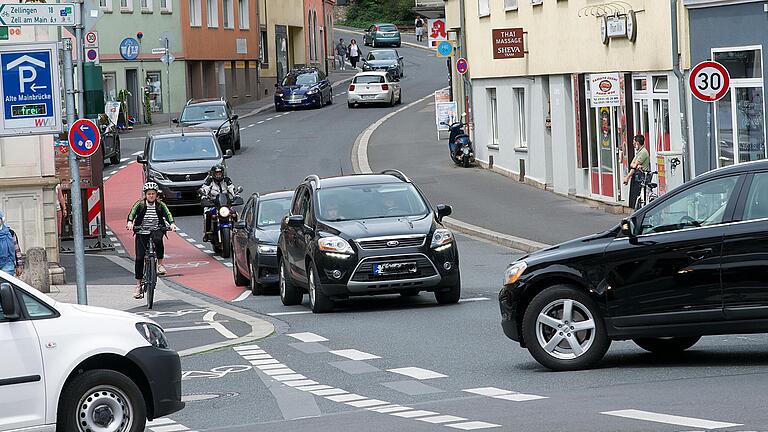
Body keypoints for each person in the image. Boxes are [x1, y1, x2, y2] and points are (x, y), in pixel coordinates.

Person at [126, 182, 177, 299]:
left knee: (158, 240)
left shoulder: (160, 205)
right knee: (139, 258)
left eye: (153, 194)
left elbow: (168, 214)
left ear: (156, 195)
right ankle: (138, 285)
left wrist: (172, 224)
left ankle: (160, 265)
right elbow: (132, 213)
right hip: (141, 231)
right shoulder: (140, 204)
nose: (151, 196)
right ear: (145, 195)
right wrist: (130, 222)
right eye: (149, 194)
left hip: (156, 230)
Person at [200, 164, 236, 242]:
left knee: (234, 213)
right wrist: (204, 196)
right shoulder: (209, 181)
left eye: (220, 173)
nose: (218, 175)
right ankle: (207, 233)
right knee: (207, 214)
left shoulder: (226, 180)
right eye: (216, 173)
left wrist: (235, 195)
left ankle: (238, 231)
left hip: (225, 204)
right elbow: (205, 188)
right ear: (213, 174)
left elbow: (231, 188)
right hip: (213, 203)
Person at [623, 135, 651, 208]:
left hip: (641, 178)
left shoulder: (643, 152)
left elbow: (634, 166)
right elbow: (632, 165)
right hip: (637, 176)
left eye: (634, 142)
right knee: (634, 197)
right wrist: (628, 177)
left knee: (637, 196)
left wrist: (628, 176)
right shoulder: (639, 152)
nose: (633, 144)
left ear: (637, 143)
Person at [0, 211, 23, 277]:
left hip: (8, 263)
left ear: (2, 220)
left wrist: (19, 265)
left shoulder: (10, 233)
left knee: (6, 284)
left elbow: (17, 250)